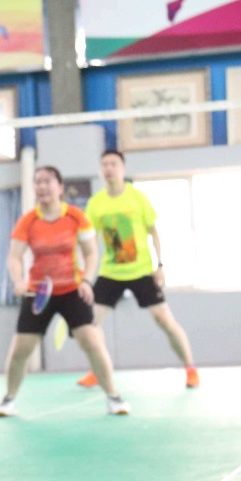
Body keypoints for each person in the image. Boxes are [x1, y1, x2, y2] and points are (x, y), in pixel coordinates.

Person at [0, 165, 128, 418]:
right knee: (21, 350)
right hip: (39, 292)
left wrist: (87, 281)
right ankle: (8, 400)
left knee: (92, 342)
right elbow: (14, 256)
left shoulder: (77, 217)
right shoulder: (28, 221)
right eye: (37, 182)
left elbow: (91, 253)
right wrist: (18, 281)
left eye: (47, 181)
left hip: (72, 289)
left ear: (60, 187)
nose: (42, 186)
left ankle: (114, 397)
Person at [76, 150, 199, 391]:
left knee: (164, 320)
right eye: (104, 164)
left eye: (113, 164)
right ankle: (97, 371)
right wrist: (83, 272)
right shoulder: (96, 203)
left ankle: (190, 368)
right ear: (101, 170)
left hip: (141, 270)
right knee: (90, 324)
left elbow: (154, 232)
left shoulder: (138, 198)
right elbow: (88, 240)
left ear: (122, 168)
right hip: (110, 273)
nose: (109, 168)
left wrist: (159, 265)